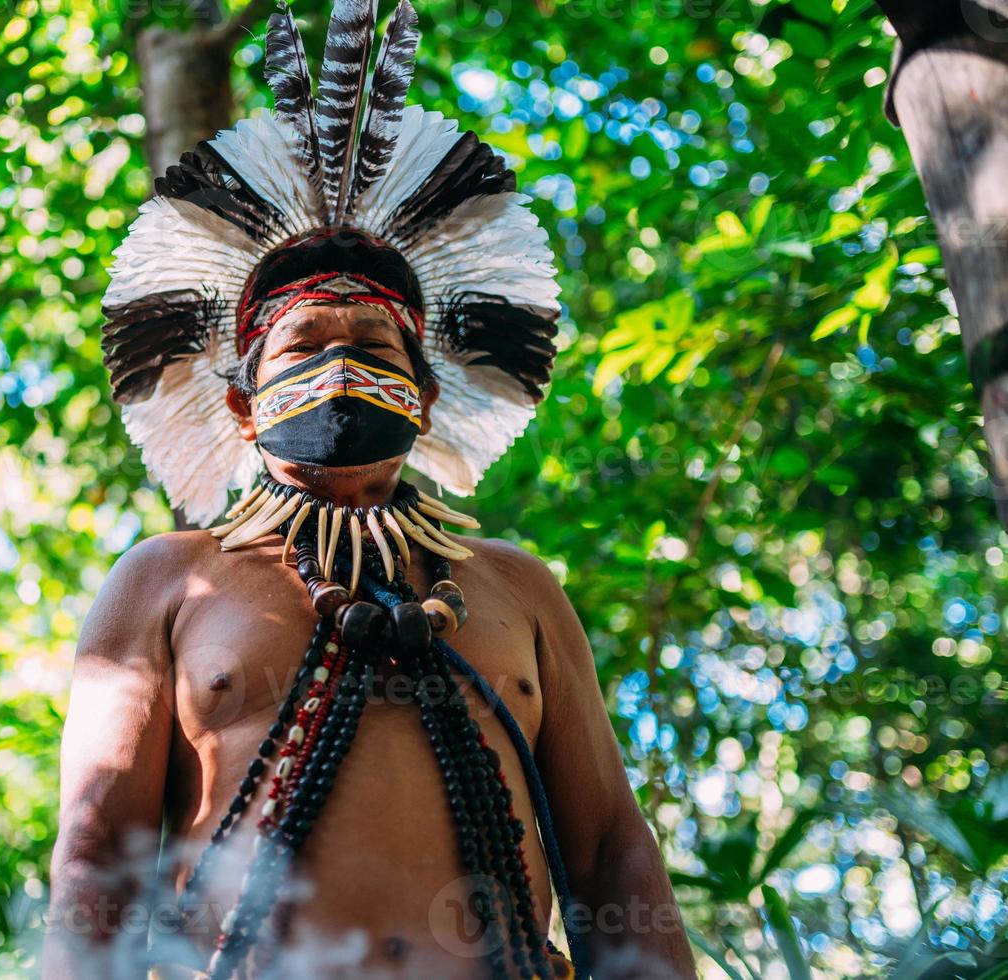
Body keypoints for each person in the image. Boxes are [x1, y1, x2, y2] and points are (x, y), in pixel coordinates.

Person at [47, 1, 696, 976]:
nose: (341, 368)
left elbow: (612, 853)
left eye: (373, 347)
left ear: (426, 396)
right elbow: (96, 862)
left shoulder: (517, 588)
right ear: (242, 399)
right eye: (305, 347)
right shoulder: (167, 582)